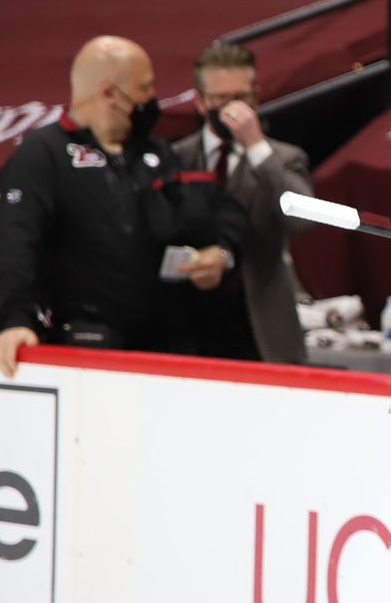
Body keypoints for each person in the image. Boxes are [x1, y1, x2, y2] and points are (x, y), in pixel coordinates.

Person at [0, 35, 245, 378]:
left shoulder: (156, 154)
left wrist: (221, 253)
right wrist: (14, 319)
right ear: (109, 93)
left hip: (166, 348)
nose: (151, 99)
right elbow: (14, 241)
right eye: (144, 88)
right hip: (87, 351)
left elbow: (220, 208)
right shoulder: (44, 154)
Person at [172, 41, 315, 364]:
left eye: (240, 98)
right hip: (190, 325)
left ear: (256, 96)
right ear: (199, 102)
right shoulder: (176, 157)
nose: (230, 110)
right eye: (220, 99)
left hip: (261, 327)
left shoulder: (283, 159)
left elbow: (303, 221)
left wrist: (256, 147)